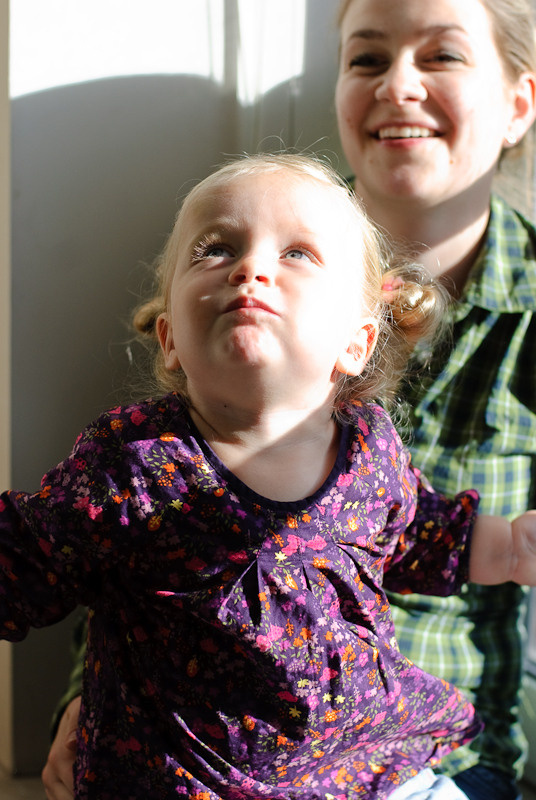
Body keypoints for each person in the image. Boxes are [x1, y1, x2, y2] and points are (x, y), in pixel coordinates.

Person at [3, 152, 536, 800]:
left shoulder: (370, 453)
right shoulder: (135, 464)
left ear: (357, 341)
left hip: (364, 767)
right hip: (184, 778)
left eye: (298, 255)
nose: (250, 269)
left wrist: (510, 547)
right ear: (170, 337)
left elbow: (422, 534)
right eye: (215, 249)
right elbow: (26, 555)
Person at [335, 1, 536, 799]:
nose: (398, 86)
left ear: (519, 104)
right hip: (226, 738)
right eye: (367, 59)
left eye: (442, 57)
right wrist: (83, 699)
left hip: (440, 763)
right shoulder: (256, 275)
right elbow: (152, 507)